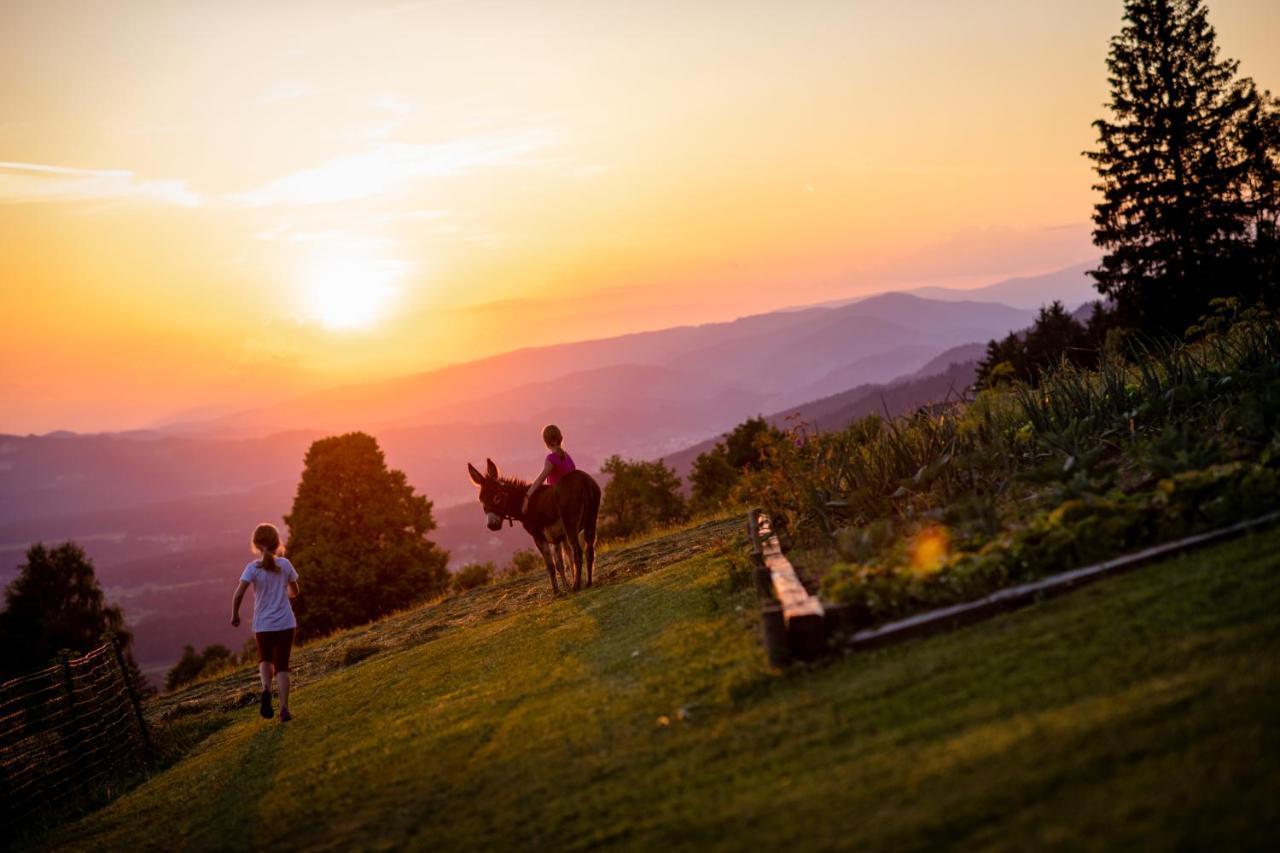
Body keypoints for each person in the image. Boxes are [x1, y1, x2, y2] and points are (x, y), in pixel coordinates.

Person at [231, 523, 300, 722]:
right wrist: (286, 591)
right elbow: (295, 592)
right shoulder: (285, 565)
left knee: (265, 659)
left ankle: (266, 689)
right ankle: (284, 710)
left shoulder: (252, 568)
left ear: (255, 544)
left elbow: (238, 594)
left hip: (263, 625)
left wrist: (235, 615)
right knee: (282, 666)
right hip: (285, 623)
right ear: (278, 542)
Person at [523, 424, 575, 514]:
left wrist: (527, 496)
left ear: (546, 442)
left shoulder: (552, 458)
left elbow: (541, 478)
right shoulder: (568, 457)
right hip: (572, 499)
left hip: (558, 503)